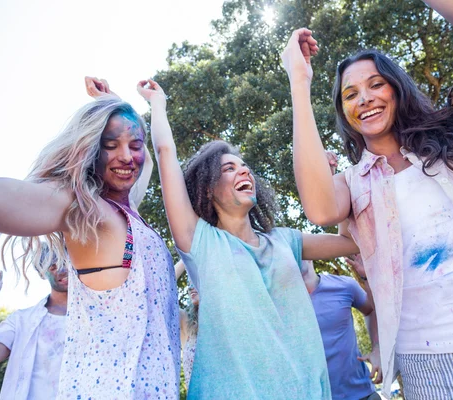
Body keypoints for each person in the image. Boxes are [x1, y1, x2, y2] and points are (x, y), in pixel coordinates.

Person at [281, 0, 453, 398]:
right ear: (344, 112)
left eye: (376, 84)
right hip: (434, 368)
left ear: (397, 88)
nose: (365, 99)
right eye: (350, 94)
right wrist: (298, 79)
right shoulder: (353, 185)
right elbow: (320, 209)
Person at [0, 69, 180, 398]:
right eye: (109, 145)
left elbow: (151, 156)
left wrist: (117, 103)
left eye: (134, 145)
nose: (127, 156)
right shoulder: (85, 210)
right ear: (89, 150)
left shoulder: (129, 213)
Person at [138, 78, 360, 399]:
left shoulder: (284, 242)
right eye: (230, 168)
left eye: (245, 167)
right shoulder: (200, 242)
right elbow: (165, 152)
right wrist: (157, 104)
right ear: (208, 186)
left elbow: (350, 243)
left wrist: (332, 185)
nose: (245, 172)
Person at [0, 244, 68, 400]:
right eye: (51, 266)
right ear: (41, 273)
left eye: (66, 262)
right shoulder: (21, 321)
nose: (62, 269)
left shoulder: (106, 317)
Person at [302, 260, 381, 400]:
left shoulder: (345, 285)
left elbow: (371, 310)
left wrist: (377, 348)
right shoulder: (274, 300)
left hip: (363, 394)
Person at [174, 260, 199, 390]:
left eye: (195, 279)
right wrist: (185, 259)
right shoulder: (185, 323)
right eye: (189, 281)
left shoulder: (226, 320)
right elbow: (158, 290)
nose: (190, 287)